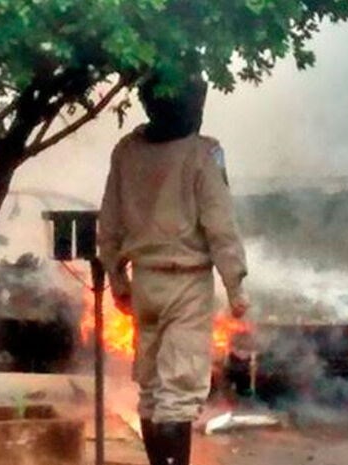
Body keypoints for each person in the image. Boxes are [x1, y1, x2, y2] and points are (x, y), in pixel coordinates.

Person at [98, 72, 249, 465]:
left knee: (150, 389)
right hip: (186, 284)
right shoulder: (202, 154)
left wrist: (116, 277)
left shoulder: (127, 151)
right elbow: (221, 226)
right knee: (177, 394)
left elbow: (109, 222)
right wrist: (236, 288)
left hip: (145, 282)